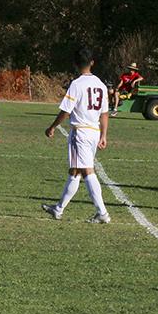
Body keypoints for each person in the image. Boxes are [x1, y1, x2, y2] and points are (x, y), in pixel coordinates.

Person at [41, 47, 111, 223]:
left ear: (75, 64)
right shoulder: (101, 85)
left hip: (80, 132)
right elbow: (104, 113)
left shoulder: (77, 84)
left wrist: (53, 126)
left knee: (87, 172)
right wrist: (103, 135)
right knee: (75, 172)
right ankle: (58, 209)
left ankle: (102, 212)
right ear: (92, 62)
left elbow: (66, 110)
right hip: (94, 132)